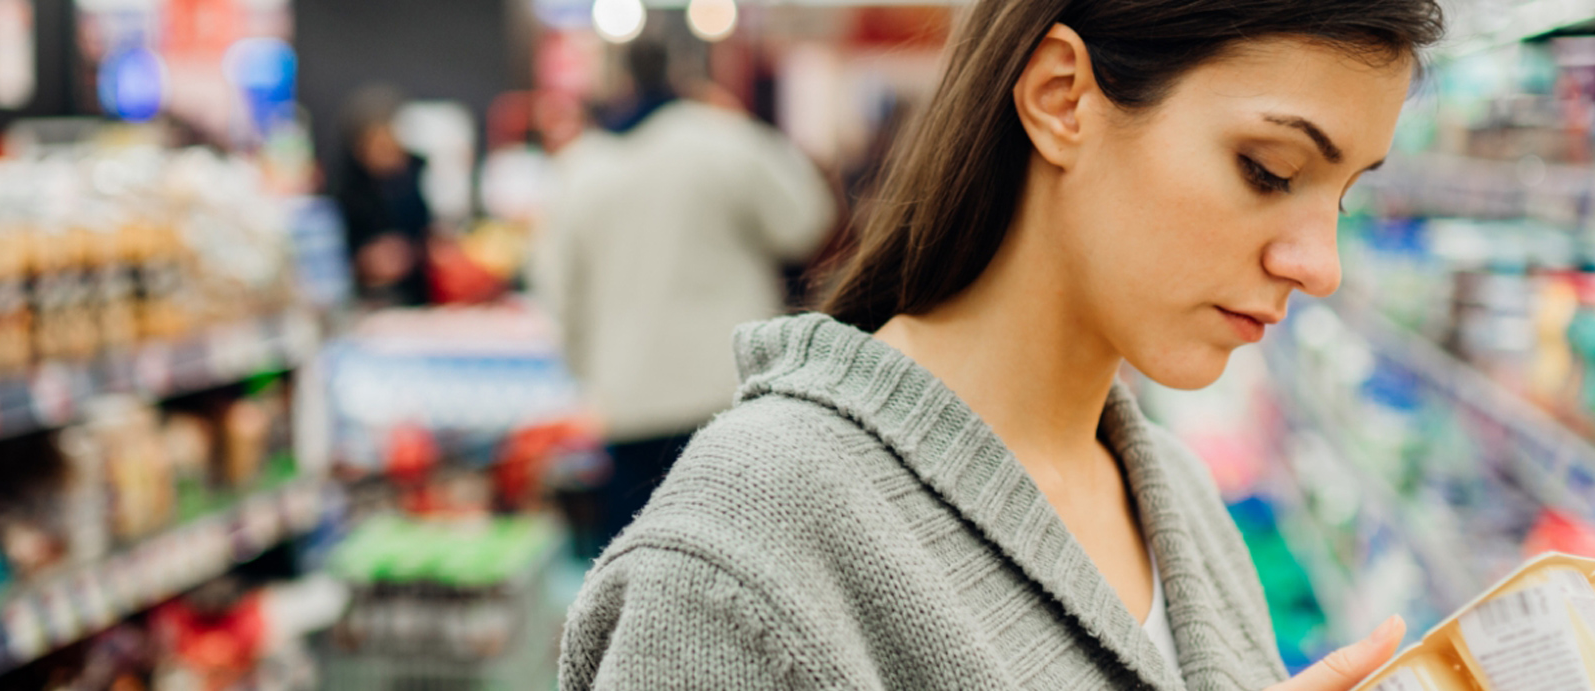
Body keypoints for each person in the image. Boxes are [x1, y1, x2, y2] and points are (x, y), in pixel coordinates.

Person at [557, 0, 1442, 689]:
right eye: (1270, 170)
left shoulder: (1177, 496)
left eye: (1342, 195)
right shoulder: (748, 559)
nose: (1318, 264)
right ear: (1062, 97)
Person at [530, 38, 835, 554]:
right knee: (743, 566)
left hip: (628, 400)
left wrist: (589, 373)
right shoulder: (725, 142)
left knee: (636, 574)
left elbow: (557, 293)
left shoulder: (580, 170)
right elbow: (806, 220)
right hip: (728, 393)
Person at [332, 85, 433, 306]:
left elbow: (430, 237)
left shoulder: (418, 178)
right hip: (363, 301)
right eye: (378, 146)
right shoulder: (344, 192)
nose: (387, 155)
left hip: (416, 298)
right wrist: (363, 263)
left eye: (391, 144)